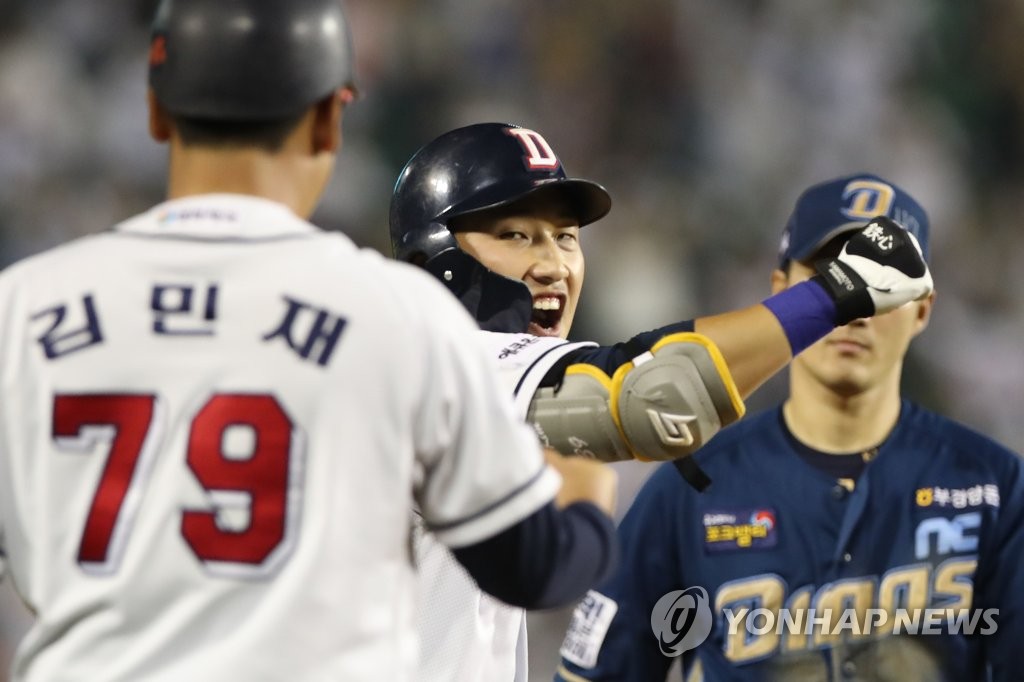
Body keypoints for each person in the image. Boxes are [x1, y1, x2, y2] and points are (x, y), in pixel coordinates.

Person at [0, 3, 624, 681]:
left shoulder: (21, 308)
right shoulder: (398, 317)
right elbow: (539, 568)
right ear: (331, 119)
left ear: (156, 115)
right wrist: (589, 484)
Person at [388, 126, 935, 681]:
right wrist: (836, 290)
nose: (553, 265)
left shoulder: (387, 373)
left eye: (566, 237)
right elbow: (650, 396)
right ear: (431, 258)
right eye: (515, 236)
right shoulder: (448, 360)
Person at [554, 173, 1024, 682]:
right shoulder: (694, 486)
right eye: (833, 276)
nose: (857, 308)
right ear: (780, 291)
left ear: (923, 309)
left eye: (885, 282)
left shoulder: (993, 485)